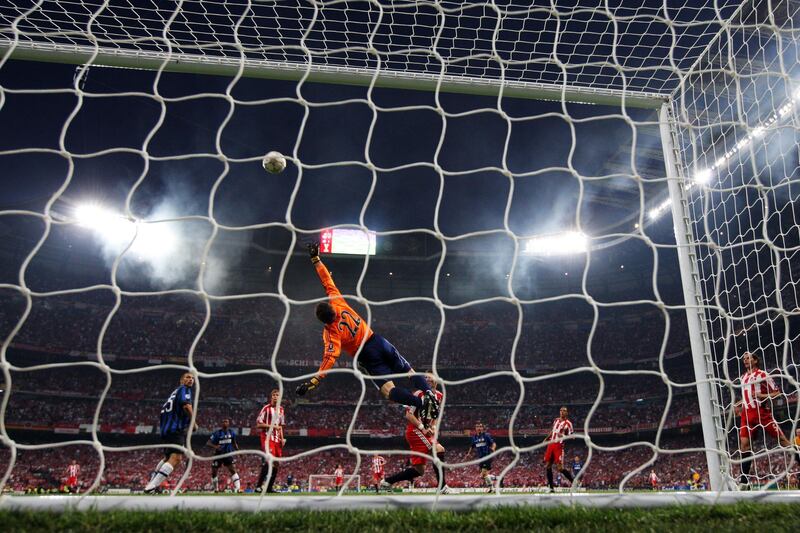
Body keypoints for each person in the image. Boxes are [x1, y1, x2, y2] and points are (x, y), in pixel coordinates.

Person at [295, 242, 439, 420]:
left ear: (323, 321)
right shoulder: (338, 302)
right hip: (377, 340)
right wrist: (316, 259)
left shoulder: (331, 334)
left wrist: (313, 382)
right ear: (331, 309)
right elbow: (327, 281)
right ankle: (428, 393)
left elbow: (329, 359)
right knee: (408, 370)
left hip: (367, 356)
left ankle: (421, 403)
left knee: (388, 390)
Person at [381, 375, 450, 493]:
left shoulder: (439, 396)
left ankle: (387, 481)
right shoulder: (418, 394)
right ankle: (442, 487)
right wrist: (422, 427)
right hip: (415, 430)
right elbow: (409, 415)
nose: (428, 380)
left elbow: (435, 415)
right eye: (426, 379)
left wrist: (433, 427)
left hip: (425, 431)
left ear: (436, 381)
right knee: (439, 449)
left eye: (430, 378)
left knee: (419, 471)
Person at [734, 351, 793, 488]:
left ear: (755, 360)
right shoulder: (743, 378)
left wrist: (762, 395)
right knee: (744, 445)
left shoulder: (763, 375)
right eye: (744, 359)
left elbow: (777, 392)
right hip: (746, 415)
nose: (745, 360)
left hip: (761, 413)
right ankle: (744, 481)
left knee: (783, 441)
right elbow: (747, 396)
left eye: (748, 358)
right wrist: (738, 405)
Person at [144, 372, 196, 493]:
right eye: (188, 377)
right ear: (181, 381)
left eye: (193, 378)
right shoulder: (184, 389)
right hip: (175, 428)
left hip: (166, 429)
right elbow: (186, 406)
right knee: (176, 458)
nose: (191, 380)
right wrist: (193, 422)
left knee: (167, 457)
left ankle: (152, 482)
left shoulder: (174, 393)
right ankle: (151, 487)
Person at [256, 389, 286, 493]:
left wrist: (282, 438)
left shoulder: (281, 409)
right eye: (274, 395)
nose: (275, 396)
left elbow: (281, 426)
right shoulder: (266, 408)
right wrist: (271, 426)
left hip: (277, 440)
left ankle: (269, 487)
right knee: (270, 461)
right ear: (271, 397)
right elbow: (258, 424)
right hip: (267, 438)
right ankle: (258, 486)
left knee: (276, 464)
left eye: (277, 395)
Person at [543, 406, 575, 493]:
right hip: (551, 444)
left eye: (564, 411)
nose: (562, 412)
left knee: (560, 468)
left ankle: (574, 482)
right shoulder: (556, 420)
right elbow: (553, 431)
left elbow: (572, 436)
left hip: (559, 445)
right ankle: (551, 488)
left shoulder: (568, 423)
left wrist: (564, 436)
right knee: (548, 466)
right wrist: (546, 438)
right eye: (561, 410)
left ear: (566, 413)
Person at [208, 418, 240, 492]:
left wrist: (238, 451)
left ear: (228, 423)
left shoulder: (232, 433)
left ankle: (238, 488)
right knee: (214, 472)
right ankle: (216, 489)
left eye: (226, 422)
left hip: (228, 454)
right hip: (218, 455)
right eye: (223, 422)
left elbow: (234, 443)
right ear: (221, 424)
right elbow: (208, 443)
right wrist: (215, 446)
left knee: (232, 470)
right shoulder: (217, 433)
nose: (225, 423)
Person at [466, 422, 496, 491]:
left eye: (480, 426)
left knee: (484, 474)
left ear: (482, 428)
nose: (479, 428)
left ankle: (492, 488)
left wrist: (493, 448)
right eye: (477, 426)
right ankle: (497, 478)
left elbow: (493, 443)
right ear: (475, 428)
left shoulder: (486, 435)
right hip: (480, 458)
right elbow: (472, 446)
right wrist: (468, 453)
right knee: (483, 476)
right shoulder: (474, 437)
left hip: (487, 456)